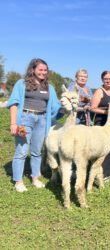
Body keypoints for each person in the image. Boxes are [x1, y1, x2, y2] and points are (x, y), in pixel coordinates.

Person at [7, 58, 61, 192]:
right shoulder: (21, 83)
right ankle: (18, 181)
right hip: (25, 118)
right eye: (40, 69)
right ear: (33, 69)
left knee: (37, 152)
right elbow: (13, 103)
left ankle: (35, 178)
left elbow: (55, 106)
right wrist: (14, 123)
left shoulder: (49, 87)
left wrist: (67, 107)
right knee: (22, 151)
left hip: (42, 120)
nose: (43, 72)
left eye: (45, 70)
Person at [91, 71, 110, 180]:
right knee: (102, 149)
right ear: (102, 80)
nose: (108, 80)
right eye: (106, 79)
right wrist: (106, 112)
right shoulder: (99, 91)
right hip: (101, 122)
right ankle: (100, 173)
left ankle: (109, 171)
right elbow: (93, 108)